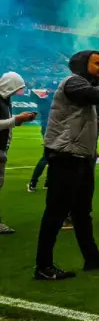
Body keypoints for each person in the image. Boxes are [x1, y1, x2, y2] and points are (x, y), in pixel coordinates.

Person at [35, 51, 99, 280]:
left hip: (82, 156)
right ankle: (43, 266)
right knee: (56, 212)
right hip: (66, 155)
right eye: (98, 63)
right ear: (82, 64)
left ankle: (92, 258)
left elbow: (83, 111)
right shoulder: (73, 82)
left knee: (82, 212)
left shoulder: (85, 86)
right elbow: (98, 96)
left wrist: (98, 123)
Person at [1, 72, 36, 234]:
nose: (17, 92)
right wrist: (16, 120)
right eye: (17, 88)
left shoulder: (5, 100)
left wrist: (19, 119)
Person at [27, 80, 55, 192]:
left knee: (49, 156)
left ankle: (39, 182)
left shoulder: (44, 100)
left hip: (48, 128)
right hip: (54, 128)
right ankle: (38, 182)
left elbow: (33, 96)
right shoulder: (53, 100)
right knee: (50, 156)